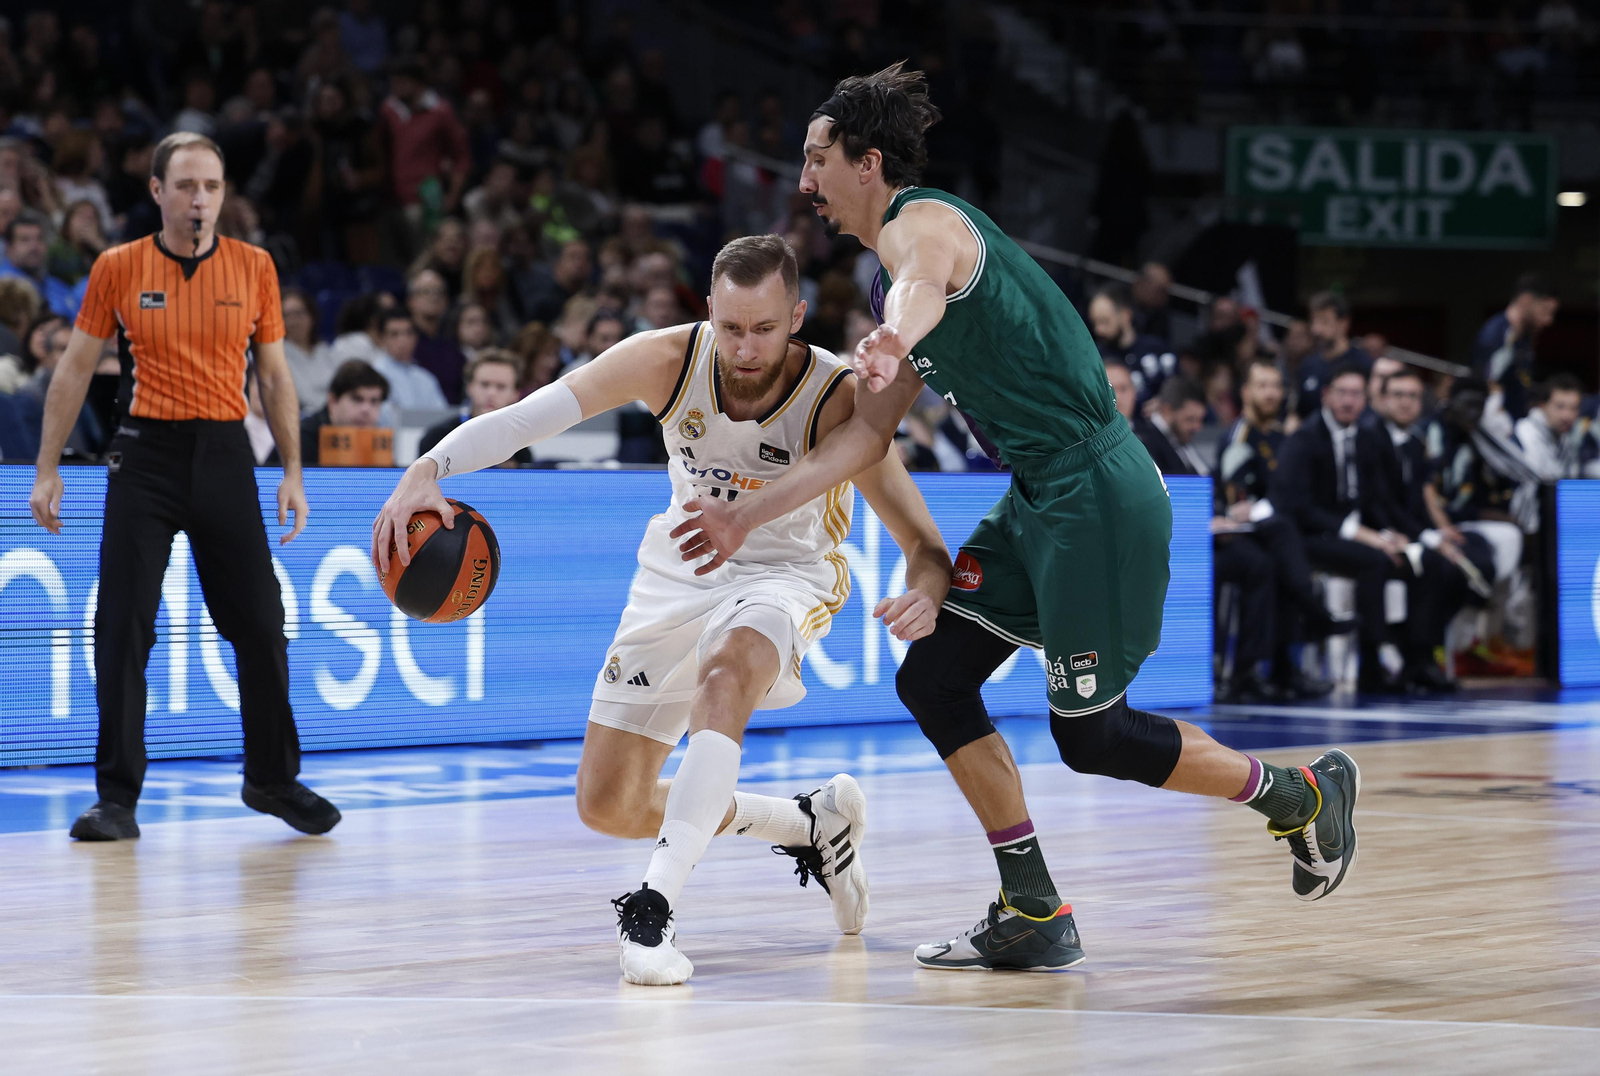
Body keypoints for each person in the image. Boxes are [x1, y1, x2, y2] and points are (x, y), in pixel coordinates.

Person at [674, 64, 1360, 974]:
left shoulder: (925, 228)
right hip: (1039, 495)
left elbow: (923, 287)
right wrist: (745, 516)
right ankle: (1033, 907)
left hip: (1100, 498)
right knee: (936, 681)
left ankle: (1299, 795)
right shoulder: (889, 282)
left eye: (815, 159)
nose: (804, 181)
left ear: (867, 162)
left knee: (1093, 736)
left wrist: (896, 337)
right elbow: (864, 440)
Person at [373, 234, 952, 985]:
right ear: (708, 311)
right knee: (608, 804)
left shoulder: (837, 398)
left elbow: (922, 542)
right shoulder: (666, 359)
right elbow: (527, 419)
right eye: (732, 327)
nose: (746, 348)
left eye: (766, 329)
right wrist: (428, 468)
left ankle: (654, 908)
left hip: (785, 577)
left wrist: (927, 590)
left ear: (798, 317)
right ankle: (810, 825)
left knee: (728, 671)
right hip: (675, 577)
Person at [26, 132, 338, 841]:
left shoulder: (255, 267)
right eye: (188, 186)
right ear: (158, 192)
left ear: (225, 193)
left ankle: (271, 779)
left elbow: (276, 376)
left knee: (261, 623)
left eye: (213, 187)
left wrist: (291, 471)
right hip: (145, 453)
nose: (201, 199)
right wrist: (47, 467)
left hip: (226, 451)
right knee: (124, 625)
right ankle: (117, 800)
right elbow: (74, 369)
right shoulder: (118, 266)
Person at [1215, 358, 1347, 701]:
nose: (1272, 393)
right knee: (1280, 552)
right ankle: (1304, 627)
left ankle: (1283, 670)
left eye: (1277, 386)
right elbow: (1235, 500)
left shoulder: (1282, 436)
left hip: (1278, 532)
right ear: (1245, 392)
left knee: (1284, 557)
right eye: (1263, 385)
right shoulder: (1240, 434)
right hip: (1243, 532)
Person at [1274, 363, 1403, 694]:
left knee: (1403, 557)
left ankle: (1409, 658)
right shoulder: (1304, 439)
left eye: (1356, 394)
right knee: (1375, 559)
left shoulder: (1369, 439)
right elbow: (1299, 508)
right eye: (1342, 393)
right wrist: (1362, 535)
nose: (1349, 401)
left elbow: (1377, 498)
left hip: (1353, 533)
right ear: (1326, 396)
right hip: (1310, 536)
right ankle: (1371, 663)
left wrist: (1389, 533)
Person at [1366, 367, 1481, 694]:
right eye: (1398, 396)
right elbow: (1379, 502)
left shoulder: (1417, 443)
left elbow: (1418, 501)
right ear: (1384, 399)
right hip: (1377, 531)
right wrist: (1428, 538)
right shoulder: (1370, 438)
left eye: (1413, 397)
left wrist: (1437, 533)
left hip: (1409, 531)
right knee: (1433, 566)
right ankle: (1413, 658)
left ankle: (1422, 656)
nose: (1405, 403)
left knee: (1458, 570)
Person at [1474, 273, 1560, 433]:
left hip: (1519, 426)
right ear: (1526, 300)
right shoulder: (1498, 334)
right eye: (1545, 310)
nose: (1549, 320)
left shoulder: (1524, 337)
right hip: (1499, 431)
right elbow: (1489, 383)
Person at [417, 349, 531, 466]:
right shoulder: (437, 438)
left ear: (515, 394)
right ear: (470, 387)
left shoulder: (519, 447)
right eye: (484, 384)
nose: (491, 393)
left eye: (501, 387)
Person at [1088, 282, 1175, 406]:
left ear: (1125, 315)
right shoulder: (1094, 358)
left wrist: (1164, 403)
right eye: (1094, 323)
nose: (1098, 330)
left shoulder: (1157, 349)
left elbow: (1179, 391)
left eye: (1104, 321)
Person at [1294, 292, 1373, 419]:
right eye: (1314, 321)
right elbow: (1299, 413)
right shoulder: (1307, 365)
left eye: (1324, 322)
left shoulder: (1364, 364)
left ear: (1344, 323)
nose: (1316, 330)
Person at [300, 358, 389, 466]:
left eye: (374, 401)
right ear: (333, 400)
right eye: (357, 399)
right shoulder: (302, 439)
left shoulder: (380, 442)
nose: (366, 409)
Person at [1515, 373, 1599, 480]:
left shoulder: (1564, 436)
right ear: (1542, 405)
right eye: (1560, 406)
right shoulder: (1525, 433)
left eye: (1574, 408)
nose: (1567, 416)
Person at [0, 209, 79, 317]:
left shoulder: (57, 286)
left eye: (39, 239)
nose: (34, 246)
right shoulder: (4, 288)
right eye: (25, 240)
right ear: (9, 248)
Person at [404, 268, 466, 402]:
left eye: (439, 292)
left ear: (447, 301)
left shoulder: (454, 346)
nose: (434, 297)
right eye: (426, 292)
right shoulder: (403, 342)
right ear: (411, 301)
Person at [370, 308, 447, 415]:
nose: (403, 340)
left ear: (416, 337)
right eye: (394, 334)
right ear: (381, 338)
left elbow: (442, 417)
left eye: (408, 333)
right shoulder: (374, 375)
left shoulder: (426, 378)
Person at [1134, 376, 1209, 476]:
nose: (1197, 427)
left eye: (1200, 420)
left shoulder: (1179, 439)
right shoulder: (1145, 442)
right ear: (1166, 410)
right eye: (1190, 419)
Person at [280, 287, 338, 414]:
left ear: (311, 316)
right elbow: (302, 396)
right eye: (286, 315)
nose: (293, 320)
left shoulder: (323, 350)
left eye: (299, 313)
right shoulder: (278, 353)